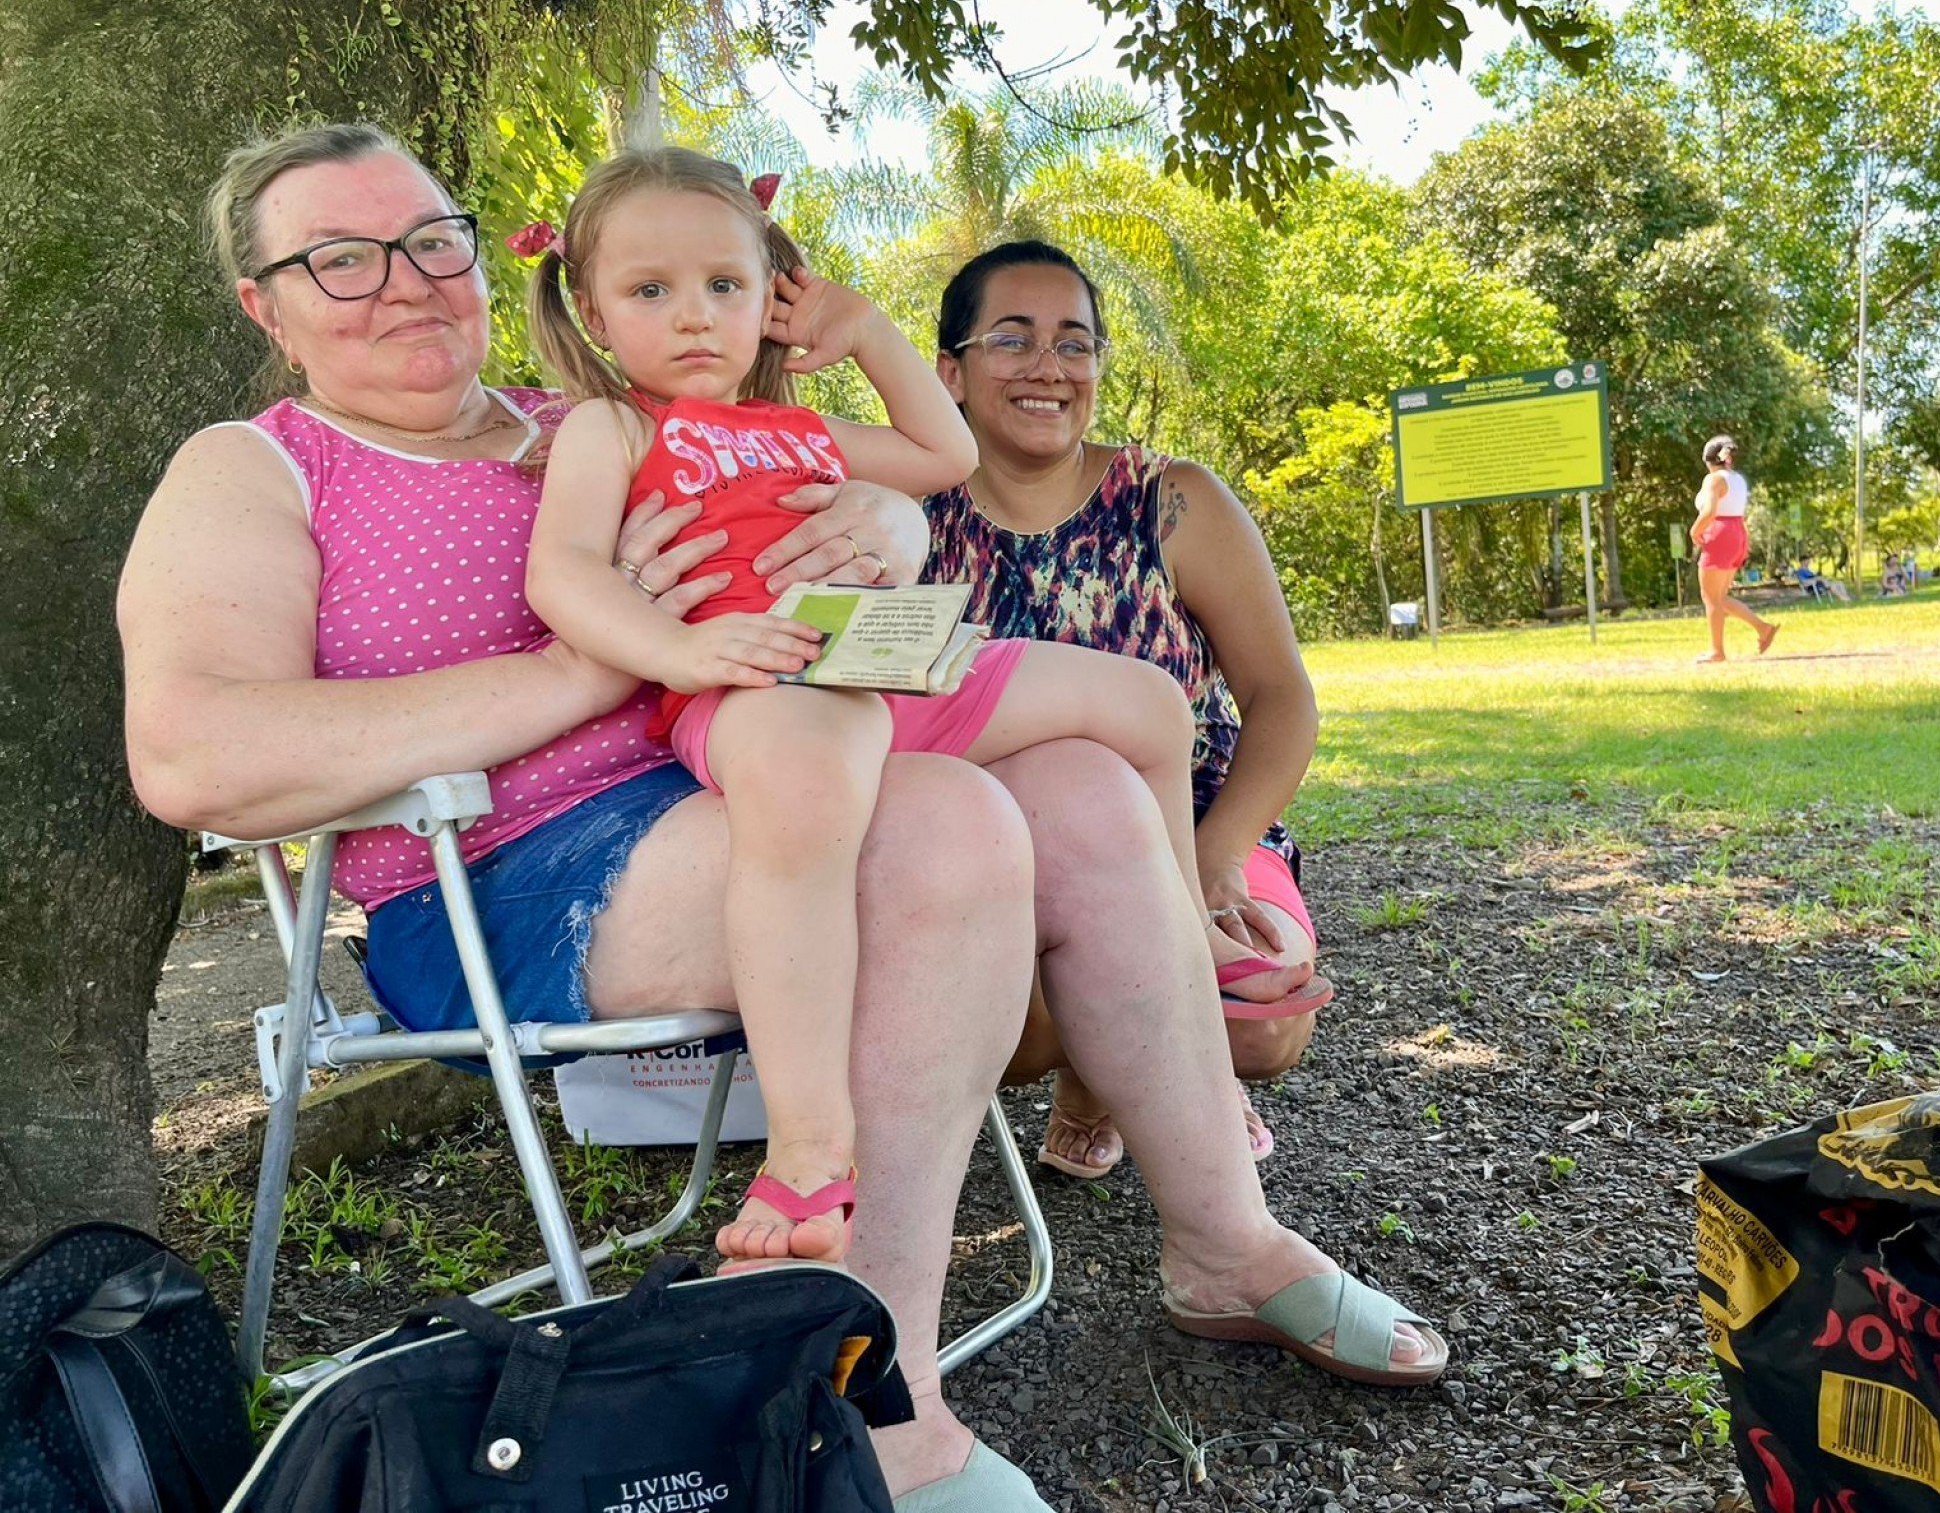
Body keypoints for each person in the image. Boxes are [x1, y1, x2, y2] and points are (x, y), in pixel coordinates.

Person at [118, 125, 1447, 1512]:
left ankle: (1226, 1238)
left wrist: (886, 530)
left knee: (1094, 784)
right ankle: (880, 1404)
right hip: (496, 873)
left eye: (429, 239)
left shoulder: (597, 414)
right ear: (265, 307)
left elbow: (852, 485)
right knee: (941, 829)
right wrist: (581, 670)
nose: (399, 280)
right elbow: (195, 754)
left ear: (484, 255)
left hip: (746, 775)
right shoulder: (257, 466)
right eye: (339, 258)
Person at [520, 148, 1239, 1266]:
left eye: (725, 284)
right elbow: (561, 576)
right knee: (803, 802)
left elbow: (943, 453)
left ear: (772, 297)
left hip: (882, 665)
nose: (695, 317)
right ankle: (809, 1146)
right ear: (596, 315)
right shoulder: (611, 431)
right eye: (649, 291)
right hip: (758, 684)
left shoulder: (801, 432)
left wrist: (867, 335)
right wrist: (684, 647)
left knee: (1149, 704)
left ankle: (1186, 987)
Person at [921, 241, 1332, 1178]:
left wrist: (1219, 856)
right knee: (1003, 1025)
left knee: (1266, 1022)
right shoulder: (906, 516)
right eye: (1011, 339)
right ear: (950, 370)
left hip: (1191, 823)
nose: (1047, 368)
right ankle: (1118, 1056)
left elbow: (1281, 698)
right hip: (1005, 840)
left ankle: (1110, 1071)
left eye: (1075, 343)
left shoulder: (1172, 500)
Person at [1689, 434, 1779, 663]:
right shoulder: (1737, 478)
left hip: (1719, 532)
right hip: (1737, 531)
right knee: (1719, 597)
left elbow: (1709, 511)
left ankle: (1717, 651)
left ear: (1708, 460)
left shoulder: (1714, 480)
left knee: (1710, 597)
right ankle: (1763, 628)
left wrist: (1695, 531)